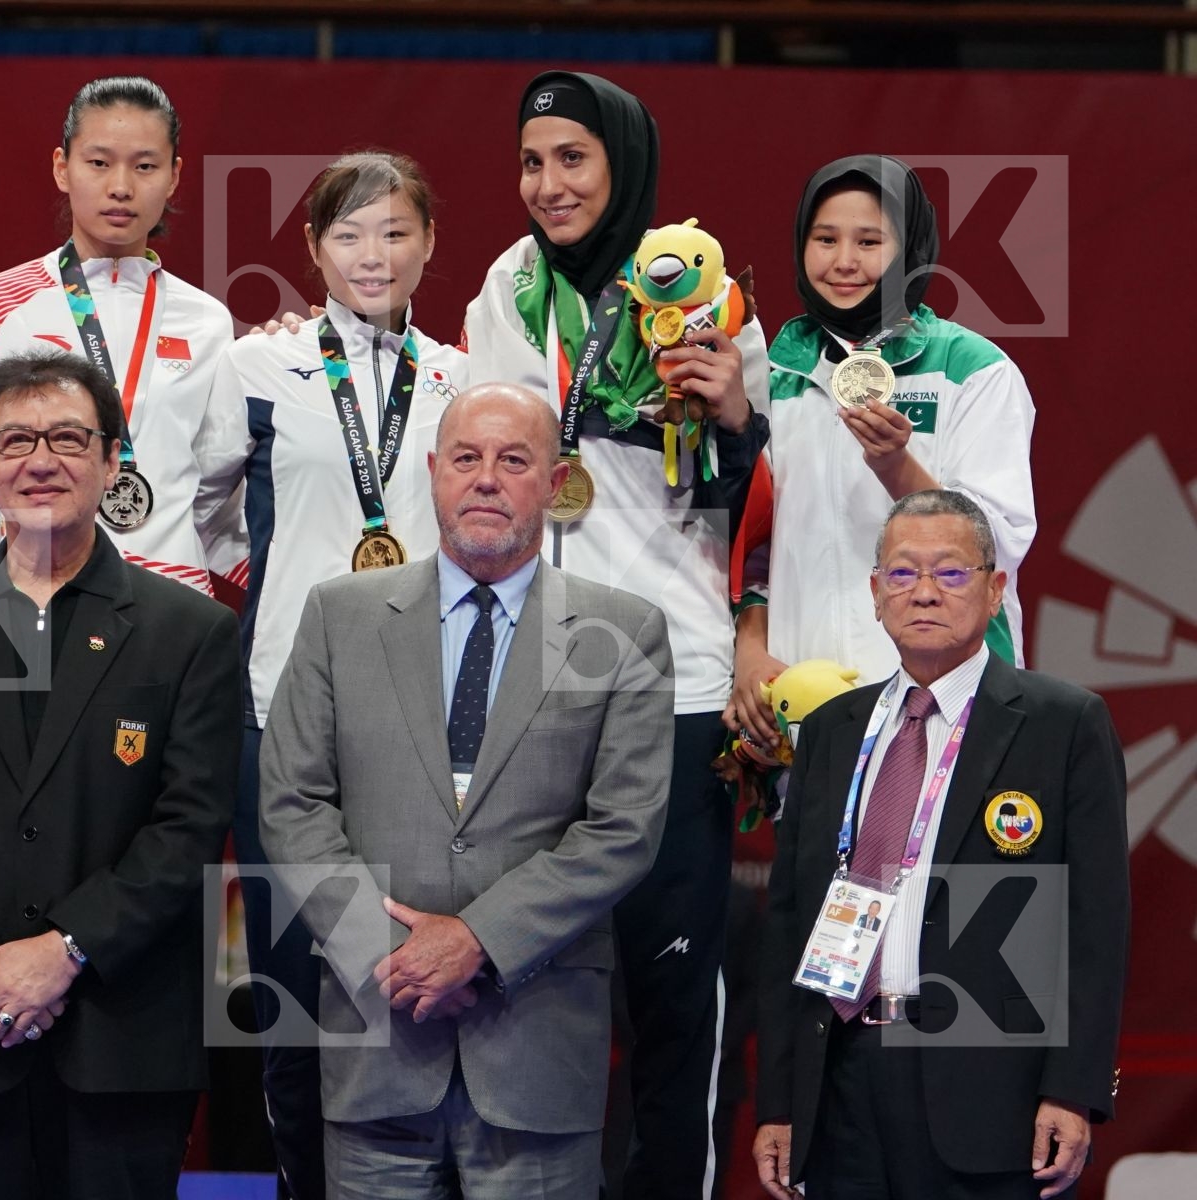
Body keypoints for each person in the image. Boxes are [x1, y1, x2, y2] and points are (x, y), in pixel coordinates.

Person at [460, 69, 769, 1200]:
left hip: (671, 682)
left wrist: (735, 416)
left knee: (672, 990)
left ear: (625, 163)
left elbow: (764, 499)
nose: (548, 184)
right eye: (533, 161)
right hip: (528, 684)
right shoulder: (505, 289)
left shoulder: (700, 294)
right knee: (522, 988)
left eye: (573, 159)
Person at [259, 382, 674, 1199]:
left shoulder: (624, 630)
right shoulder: (337, 615)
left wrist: (477, 941)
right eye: (466, 458)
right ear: (433, 474)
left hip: (537, 1057)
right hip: (376, 1043)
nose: (486, 478)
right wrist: (391, 960)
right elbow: (291, 804)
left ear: (555, 485)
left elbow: (623, 828)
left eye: (514, 460)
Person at [0, 350, 241, 1198]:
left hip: (121, 1035)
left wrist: (65, 950)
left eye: (67, 437)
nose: (40, 460)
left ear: (110, 459)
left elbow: (191, 825)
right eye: (15, 440)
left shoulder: (190, 633)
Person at [203, 149, 467, 1200]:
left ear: (430, 245)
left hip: (432, 719)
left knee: (410, 980)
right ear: (312, 249)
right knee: (289, 989)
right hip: (283, 714)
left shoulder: (459, 375)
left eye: (397, 231)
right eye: (350, 233)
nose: (375, 253)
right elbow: (209, 508)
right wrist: (284, 579)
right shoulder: (253, 368)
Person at [754, 490, 1128, 1200]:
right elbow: (789, 925)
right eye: (902, 574)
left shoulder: (1061, 723)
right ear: (874, 593)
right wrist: (779, 1099)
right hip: (840, 1085)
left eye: (951, 574)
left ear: (995, 590)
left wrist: (1073, 1090)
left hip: (992, 1092)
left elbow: (1096, 927)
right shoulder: (835, 729)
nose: (924, 592)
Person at [729, 155, 1037, 754]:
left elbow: (997, 546)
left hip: (949, 697)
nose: (844, 262)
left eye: (869, 241)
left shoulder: (974, 371)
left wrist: (898, 467)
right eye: (825, 239)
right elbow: (753, 538)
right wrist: (748, 645)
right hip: (806, 698)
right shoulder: (773, 373)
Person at [0, 75, 242, 592]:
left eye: (145, 165)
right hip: (39, 599)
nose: (121, 185)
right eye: (99, 163)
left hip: (175, 610)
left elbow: (220, 500)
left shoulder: (208, 322)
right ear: (62, 168)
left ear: (174, 176)